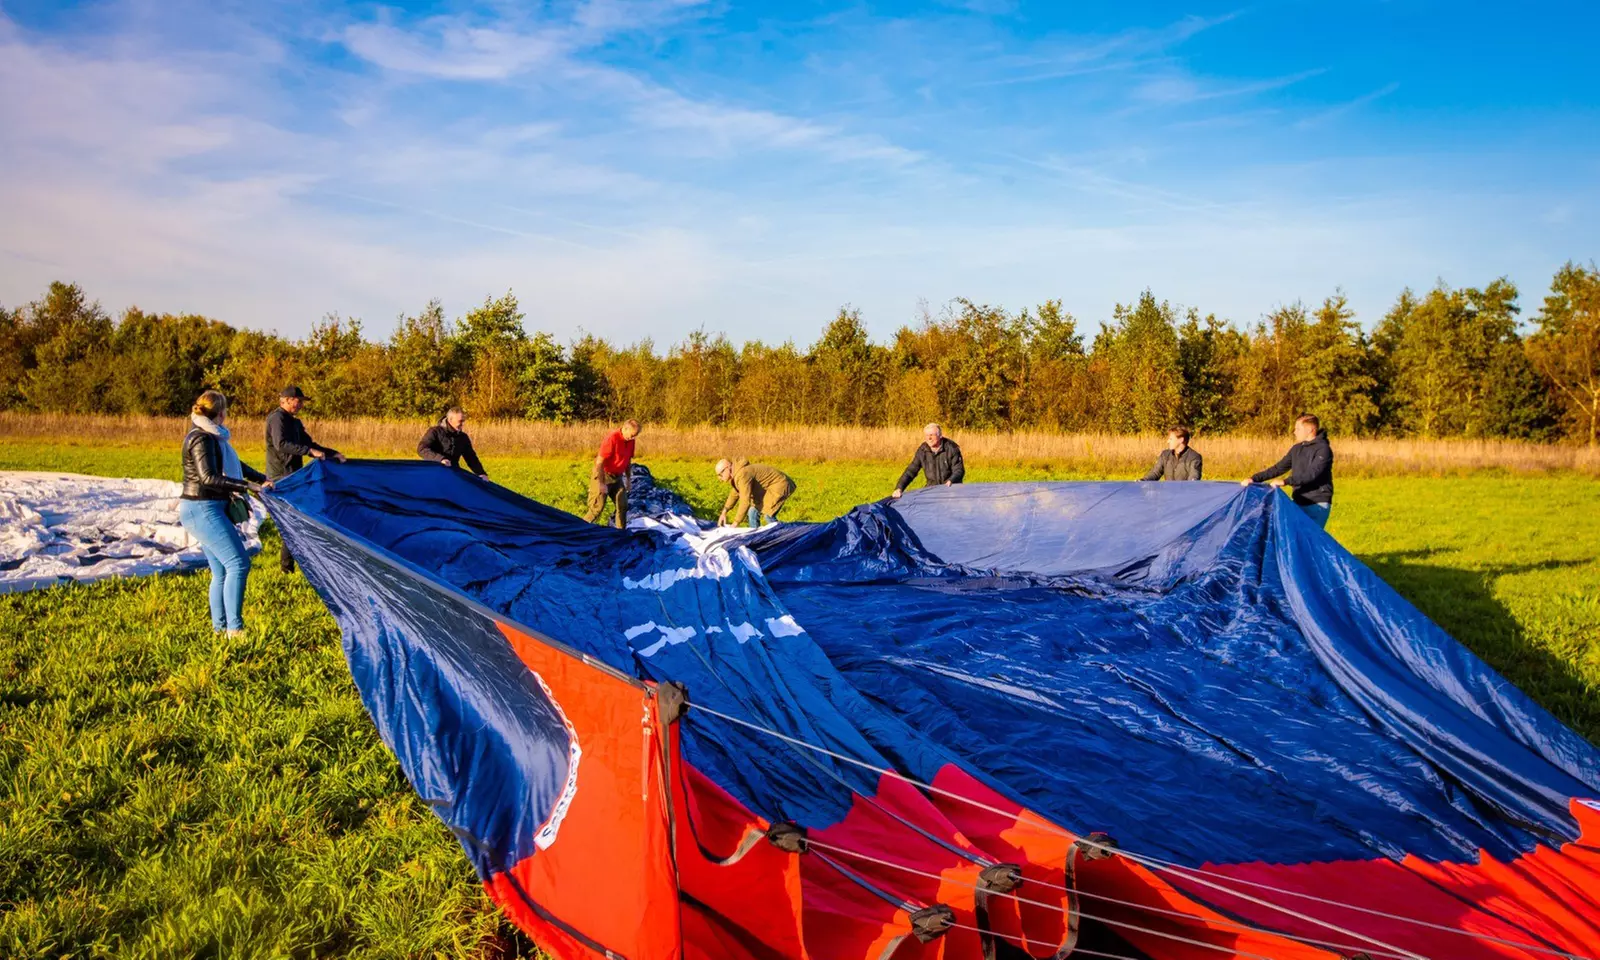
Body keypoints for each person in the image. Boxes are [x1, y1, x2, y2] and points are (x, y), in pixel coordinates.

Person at [179, 390, 267, 637]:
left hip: (209, 507)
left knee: (220, 571)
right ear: (220, 413)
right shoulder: (201, 438)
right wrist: (247, 487)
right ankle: (235, 631)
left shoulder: (214, 437)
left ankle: (219, 630)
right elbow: (208, 477)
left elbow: (237, 466)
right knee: (238, 564)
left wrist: (262, 479)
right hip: (202, 508)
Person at [265, 385, 345, 573]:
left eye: (302, 402)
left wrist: (332, 453)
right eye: (298, 401)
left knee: (295, 520)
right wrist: (309, 451)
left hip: (295, 474)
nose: (301, 405)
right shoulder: (277, 418)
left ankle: (289, 566)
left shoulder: (295, 422)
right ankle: (286, 568)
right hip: (281, 476)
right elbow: (281, 444)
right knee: (291, 520)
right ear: (286, 400)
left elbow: (309, 444)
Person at [1241, 413, 1334, 528]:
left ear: (1310, 430)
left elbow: (1312, 474)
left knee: (1309, 538)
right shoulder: (1296, 449)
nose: (1294, 432)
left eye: (1298, 429)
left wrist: (1285, 481)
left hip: (1317, 504)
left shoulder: (1323, 449)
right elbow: (1278, 468)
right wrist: (1254, 479)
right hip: (1298, 502)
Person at [583, 419, 641, 528]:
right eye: (632, 435)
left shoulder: (631, 441)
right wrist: (601, 483)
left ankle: (620, 533)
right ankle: (579, 529)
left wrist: (628, 479)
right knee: (597, 508)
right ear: (625, 429)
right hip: (603, 474)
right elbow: (599, 462)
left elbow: (628, 460)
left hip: (617, 477)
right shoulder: (612, 439)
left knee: (622, 505)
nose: (633, 438)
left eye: (635, 436)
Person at [715, 458, 796, 528]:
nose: (719, 478)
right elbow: (735, 493)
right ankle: (755, 536)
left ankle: (785, 534)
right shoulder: (738, 474)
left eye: (720, 474)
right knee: (752, 512)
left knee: (768, 515)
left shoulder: (742, 474)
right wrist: (724, 512)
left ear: (727, 468)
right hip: (769, 489)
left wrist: (736, 523)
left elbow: (745, 501)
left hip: (780, 485)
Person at [892, 423, 965, 498]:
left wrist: (951, 480)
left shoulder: (952, 448)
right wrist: (899, 488)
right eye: (927, 435)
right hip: (932, 490)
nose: (929, 438)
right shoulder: (922, 450)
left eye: (931, 435)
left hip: (950, 490)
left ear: (940, 435)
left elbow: (959, 470)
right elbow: (911, 471)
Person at [418, 407, 487, 479]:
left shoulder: (463, 437)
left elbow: (471, 458)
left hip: (453, 475)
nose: (462, 424)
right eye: (460, 421)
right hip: (433, 473)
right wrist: (441, 459)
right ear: (450, 420)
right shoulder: (434, 431)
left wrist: (481, 473)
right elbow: (422, 449)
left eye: (463, 421)